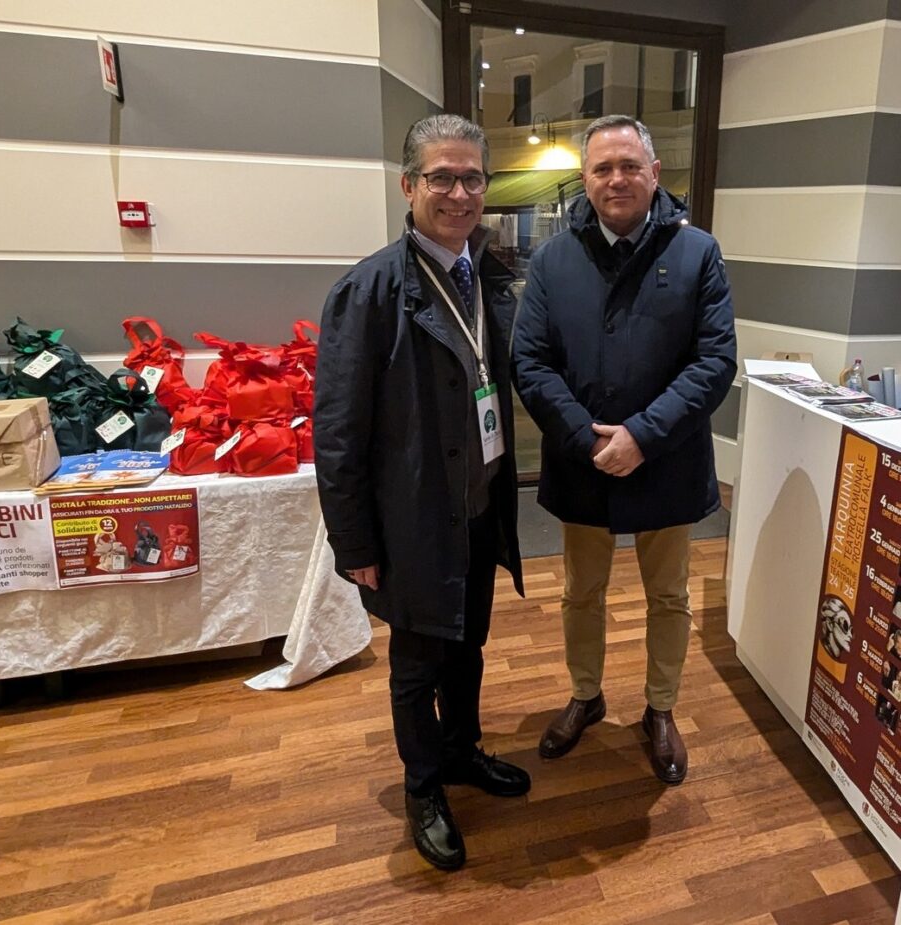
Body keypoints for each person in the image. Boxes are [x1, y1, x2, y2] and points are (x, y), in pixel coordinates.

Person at [313, 114, 528, 870]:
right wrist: (355, 542)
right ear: (409, 186)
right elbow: (337, 432)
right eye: (442, 177)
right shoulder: (368, 291)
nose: (459, 193)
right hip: (411, 519)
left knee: (468, 643)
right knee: (416, 665)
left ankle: (462, 750)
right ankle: (424, 786)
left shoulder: (489, 275)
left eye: (472, 178)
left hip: (479, 504)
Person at [513, 114, 736, 785]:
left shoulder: (697, 253)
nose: (617, 179)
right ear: (585, 178)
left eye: (630, 166)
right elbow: (530, 361)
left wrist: (642, 435)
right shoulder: (552, 260)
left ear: (654, 173)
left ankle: (660, 709)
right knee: (581, 592)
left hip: (667, 458)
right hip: (582, 461)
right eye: (603, 168)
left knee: (669, 595)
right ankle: (586, 694)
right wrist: (589, 439)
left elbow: (714, 361)